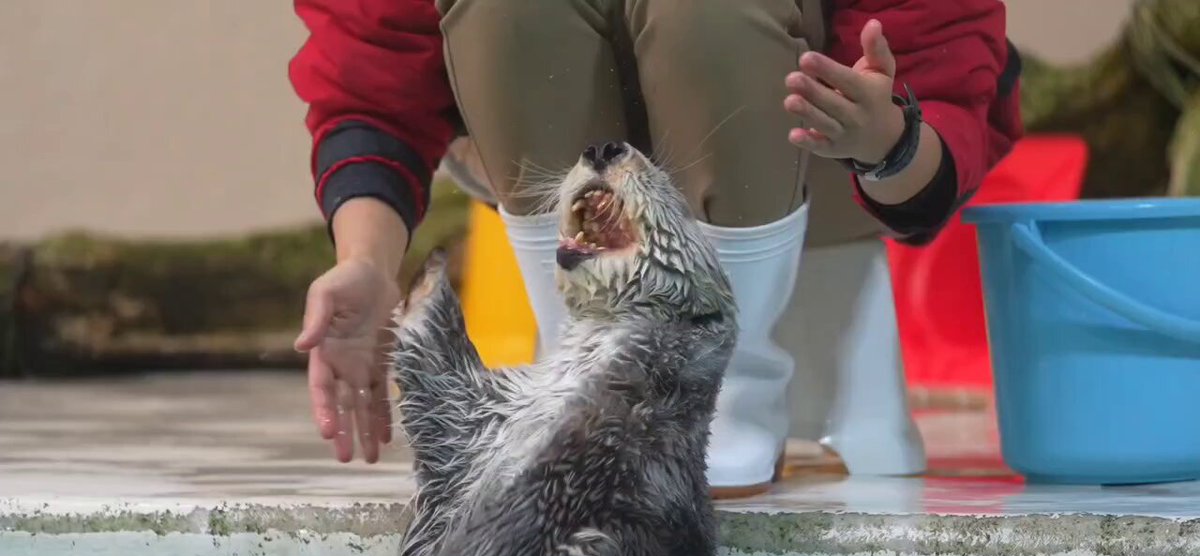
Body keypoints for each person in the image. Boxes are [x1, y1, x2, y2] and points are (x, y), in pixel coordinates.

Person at [287, 0, 1022, 497]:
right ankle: (593, 373)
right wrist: (366, 260)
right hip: (539, 148)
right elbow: (374, 73)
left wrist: (887, 140)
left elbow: (940, 65)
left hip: (802, 143)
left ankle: (721, 391)